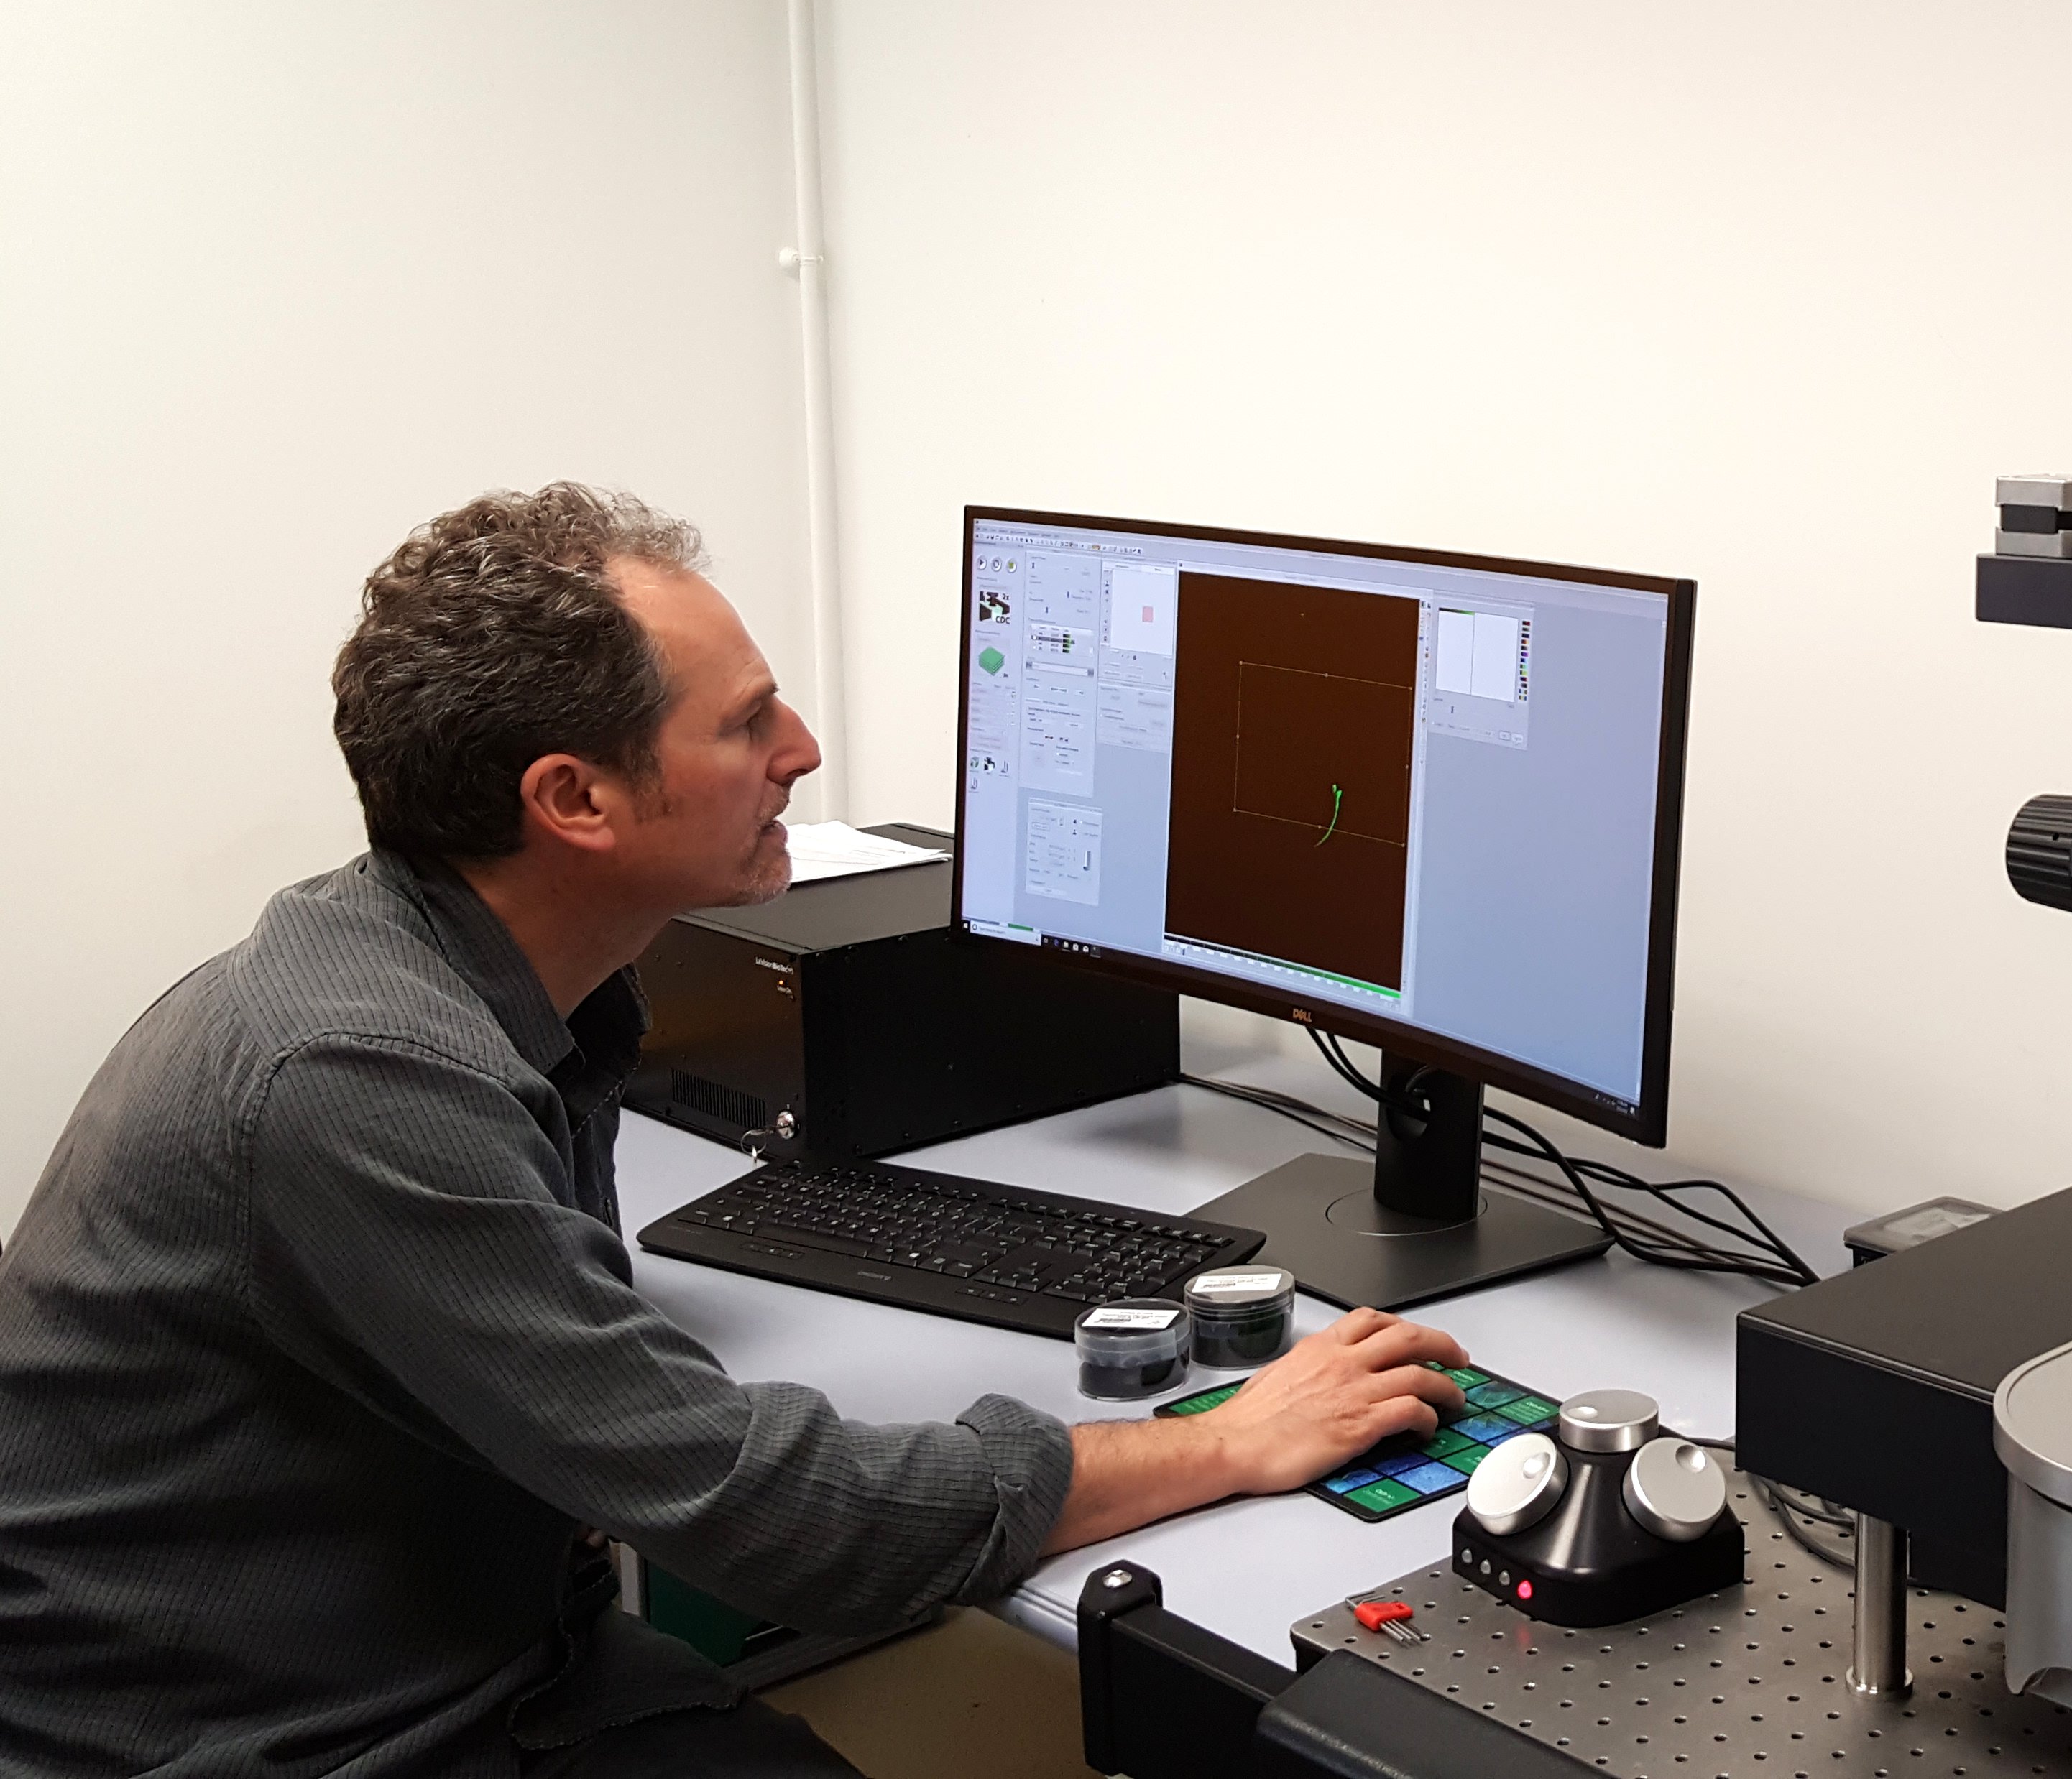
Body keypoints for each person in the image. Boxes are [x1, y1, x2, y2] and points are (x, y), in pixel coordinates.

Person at [0, 485, 1470, 1778]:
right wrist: (1223, 1439)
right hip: (274, 1731)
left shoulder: (470, 974)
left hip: (446, 1644)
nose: (804, 748)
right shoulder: (361, 1077)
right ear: (573, 800)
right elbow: (775, 1521)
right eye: (746, 720)